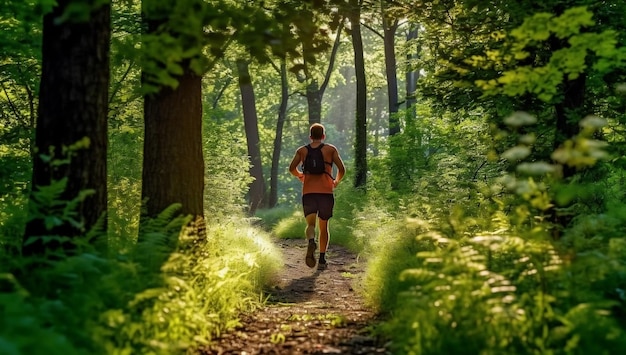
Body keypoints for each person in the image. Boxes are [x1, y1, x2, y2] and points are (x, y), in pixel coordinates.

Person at [289, 123, 345, 270]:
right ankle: (321, 260)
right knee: (324, 226)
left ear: (310, 136)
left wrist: (300, 176)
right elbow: (342, 169)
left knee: (311, 225)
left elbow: (291, 168)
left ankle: (311, 241)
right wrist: (336, 181)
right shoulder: (330, 149)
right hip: (326, 192)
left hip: (309, 192)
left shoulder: (302, 150)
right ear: (323, 136)